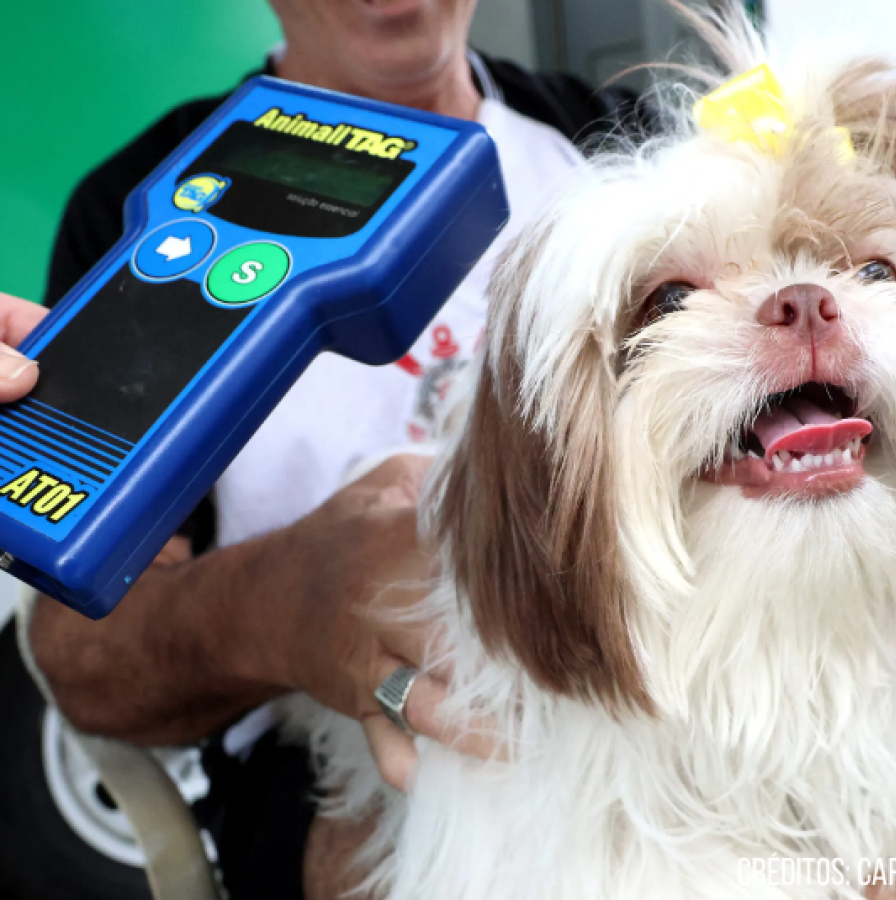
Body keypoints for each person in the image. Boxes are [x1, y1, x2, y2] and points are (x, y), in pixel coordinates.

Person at [8, 1, 645, 898]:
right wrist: (288, 605)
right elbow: (81, 662)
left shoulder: (618, 140)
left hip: (654, 686)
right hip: (330, 760)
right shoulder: (139, 196)